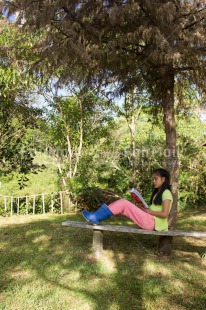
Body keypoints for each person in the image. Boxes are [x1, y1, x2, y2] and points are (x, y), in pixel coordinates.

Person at [82, 168, 173, 231]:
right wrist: (143, 208)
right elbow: (154, 210)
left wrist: (148, 211)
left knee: (123, 203)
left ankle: (96, 217)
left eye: (155, 179)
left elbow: (165, 214)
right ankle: (96, 216)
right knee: (122, 205)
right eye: (153, 179)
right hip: (151, 220)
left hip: (153, 223)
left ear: (163, 179)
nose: (153, 181)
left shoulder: (166, 193)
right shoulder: (158, 193)